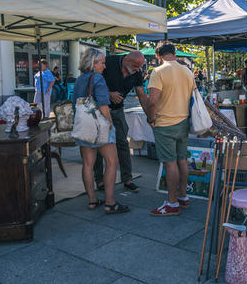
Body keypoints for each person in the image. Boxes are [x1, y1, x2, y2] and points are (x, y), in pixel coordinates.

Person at [72, 49, 129, 214]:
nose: (105, 66)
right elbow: (104, 106)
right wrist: (110, 124)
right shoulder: (98, 78)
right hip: (99, 125)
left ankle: (92, 200)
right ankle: (110, 203)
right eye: (102, 63)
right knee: (112, 162)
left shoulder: (79, 79)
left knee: (87, 164)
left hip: (84, 126)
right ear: (93, 63)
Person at [147, 41, 196, 216]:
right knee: (182, 159)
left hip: (165, 123)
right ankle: (183, 196)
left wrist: (151, 119)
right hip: (183, 121)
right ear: (174, 54)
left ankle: (172, 203)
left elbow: (152, 101)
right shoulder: (187, 71)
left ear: (158, 56)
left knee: (170, 163)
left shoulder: (158, 71)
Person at [93, 50, 147, 193]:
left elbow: (141, 95)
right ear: (127, 60)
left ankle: (127, 179)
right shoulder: (109, 62)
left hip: (118, 110)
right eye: (135, 66)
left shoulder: (136, 73)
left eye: (140, 67)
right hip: (100, 110)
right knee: (99, 144)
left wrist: (150, 116)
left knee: (123, 142)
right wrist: (108, 94)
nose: (138, 70)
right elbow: (92, 83)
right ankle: (99, 180)